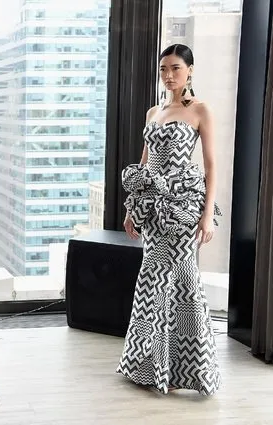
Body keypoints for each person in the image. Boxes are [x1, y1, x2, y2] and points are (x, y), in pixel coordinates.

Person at [116, 44, 221, 395]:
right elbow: (144, 165)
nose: (168, 75)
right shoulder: (153, 111)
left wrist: (207, 216)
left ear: (190, 70)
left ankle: (189, 371)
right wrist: (132, 209)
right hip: (153, 209)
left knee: (184, 283)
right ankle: (149, 366)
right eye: (163, 69)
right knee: (151, 286)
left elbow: (211, 167)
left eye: (175, 68)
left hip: (182, 208)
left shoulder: (200, 110)